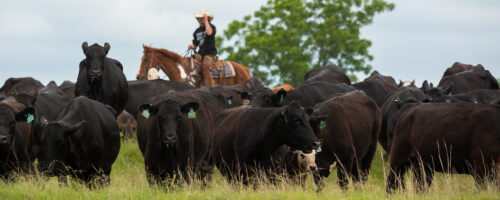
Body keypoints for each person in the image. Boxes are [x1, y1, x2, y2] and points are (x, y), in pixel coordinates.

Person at [188, 9, 217, 87]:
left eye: (202, 18)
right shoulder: (196, 32)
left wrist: (206, 20)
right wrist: (191, 46)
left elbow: (209, 32)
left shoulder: (211, 27)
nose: (200, 20)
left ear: (207, 19)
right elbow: (195, 45)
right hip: (200, 54)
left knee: (205, 66)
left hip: (210, 53)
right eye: (199, 18)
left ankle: (209, 88)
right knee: (189, 63)